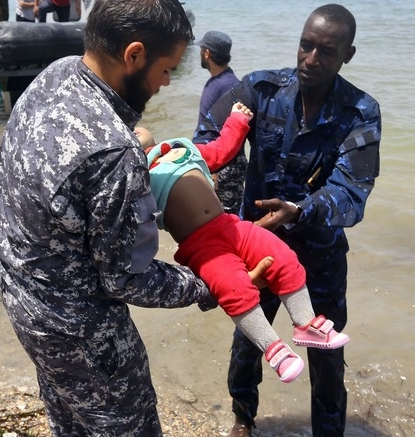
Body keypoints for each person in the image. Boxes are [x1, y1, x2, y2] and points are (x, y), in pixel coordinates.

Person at [0, 0, 271, 437]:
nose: (167, 84)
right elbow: (126, 277)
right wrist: (213, 284)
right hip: (85, 335)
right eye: (166, 70)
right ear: (134, 55)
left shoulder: (56, 74)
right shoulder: (113, 153)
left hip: (25, 303)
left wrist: (129, 144)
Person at [194, 4, 382, 437]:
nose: (311, 59)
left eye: (326, 52)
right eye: (306, 45)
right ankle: (242, 420)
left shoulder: (361, 112)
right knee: (248, 339)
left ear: (347, 56)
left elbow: (352, 193)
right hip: (254, 247)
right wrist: (217, 215)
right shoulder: (259, 89)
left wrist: (299, 211)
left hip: (318, 255)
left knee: (326, 350)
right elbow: (207, 143)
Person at [134, 104, 349, 383]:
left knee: (283, 256)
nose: (132, 130)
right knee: (234, 287)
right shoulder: (136, 176)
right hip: (202, 248)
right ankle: (273, 348)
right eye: (126, 132)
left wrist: (237, 119)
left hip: (232, 226)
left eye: (134, 126)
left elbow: (222, 150)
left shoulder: (183, 148)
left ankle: (306, 323)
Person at [194, 29, 243, 213]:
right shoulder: (218, 82)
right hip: (213, 161)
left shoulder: (228, 85)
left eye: (201, 49)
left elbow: (226, 130)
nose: (200, 53)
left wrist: (215, 171)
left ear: (207, 53)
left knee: (226, 218)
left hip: (224, 166)